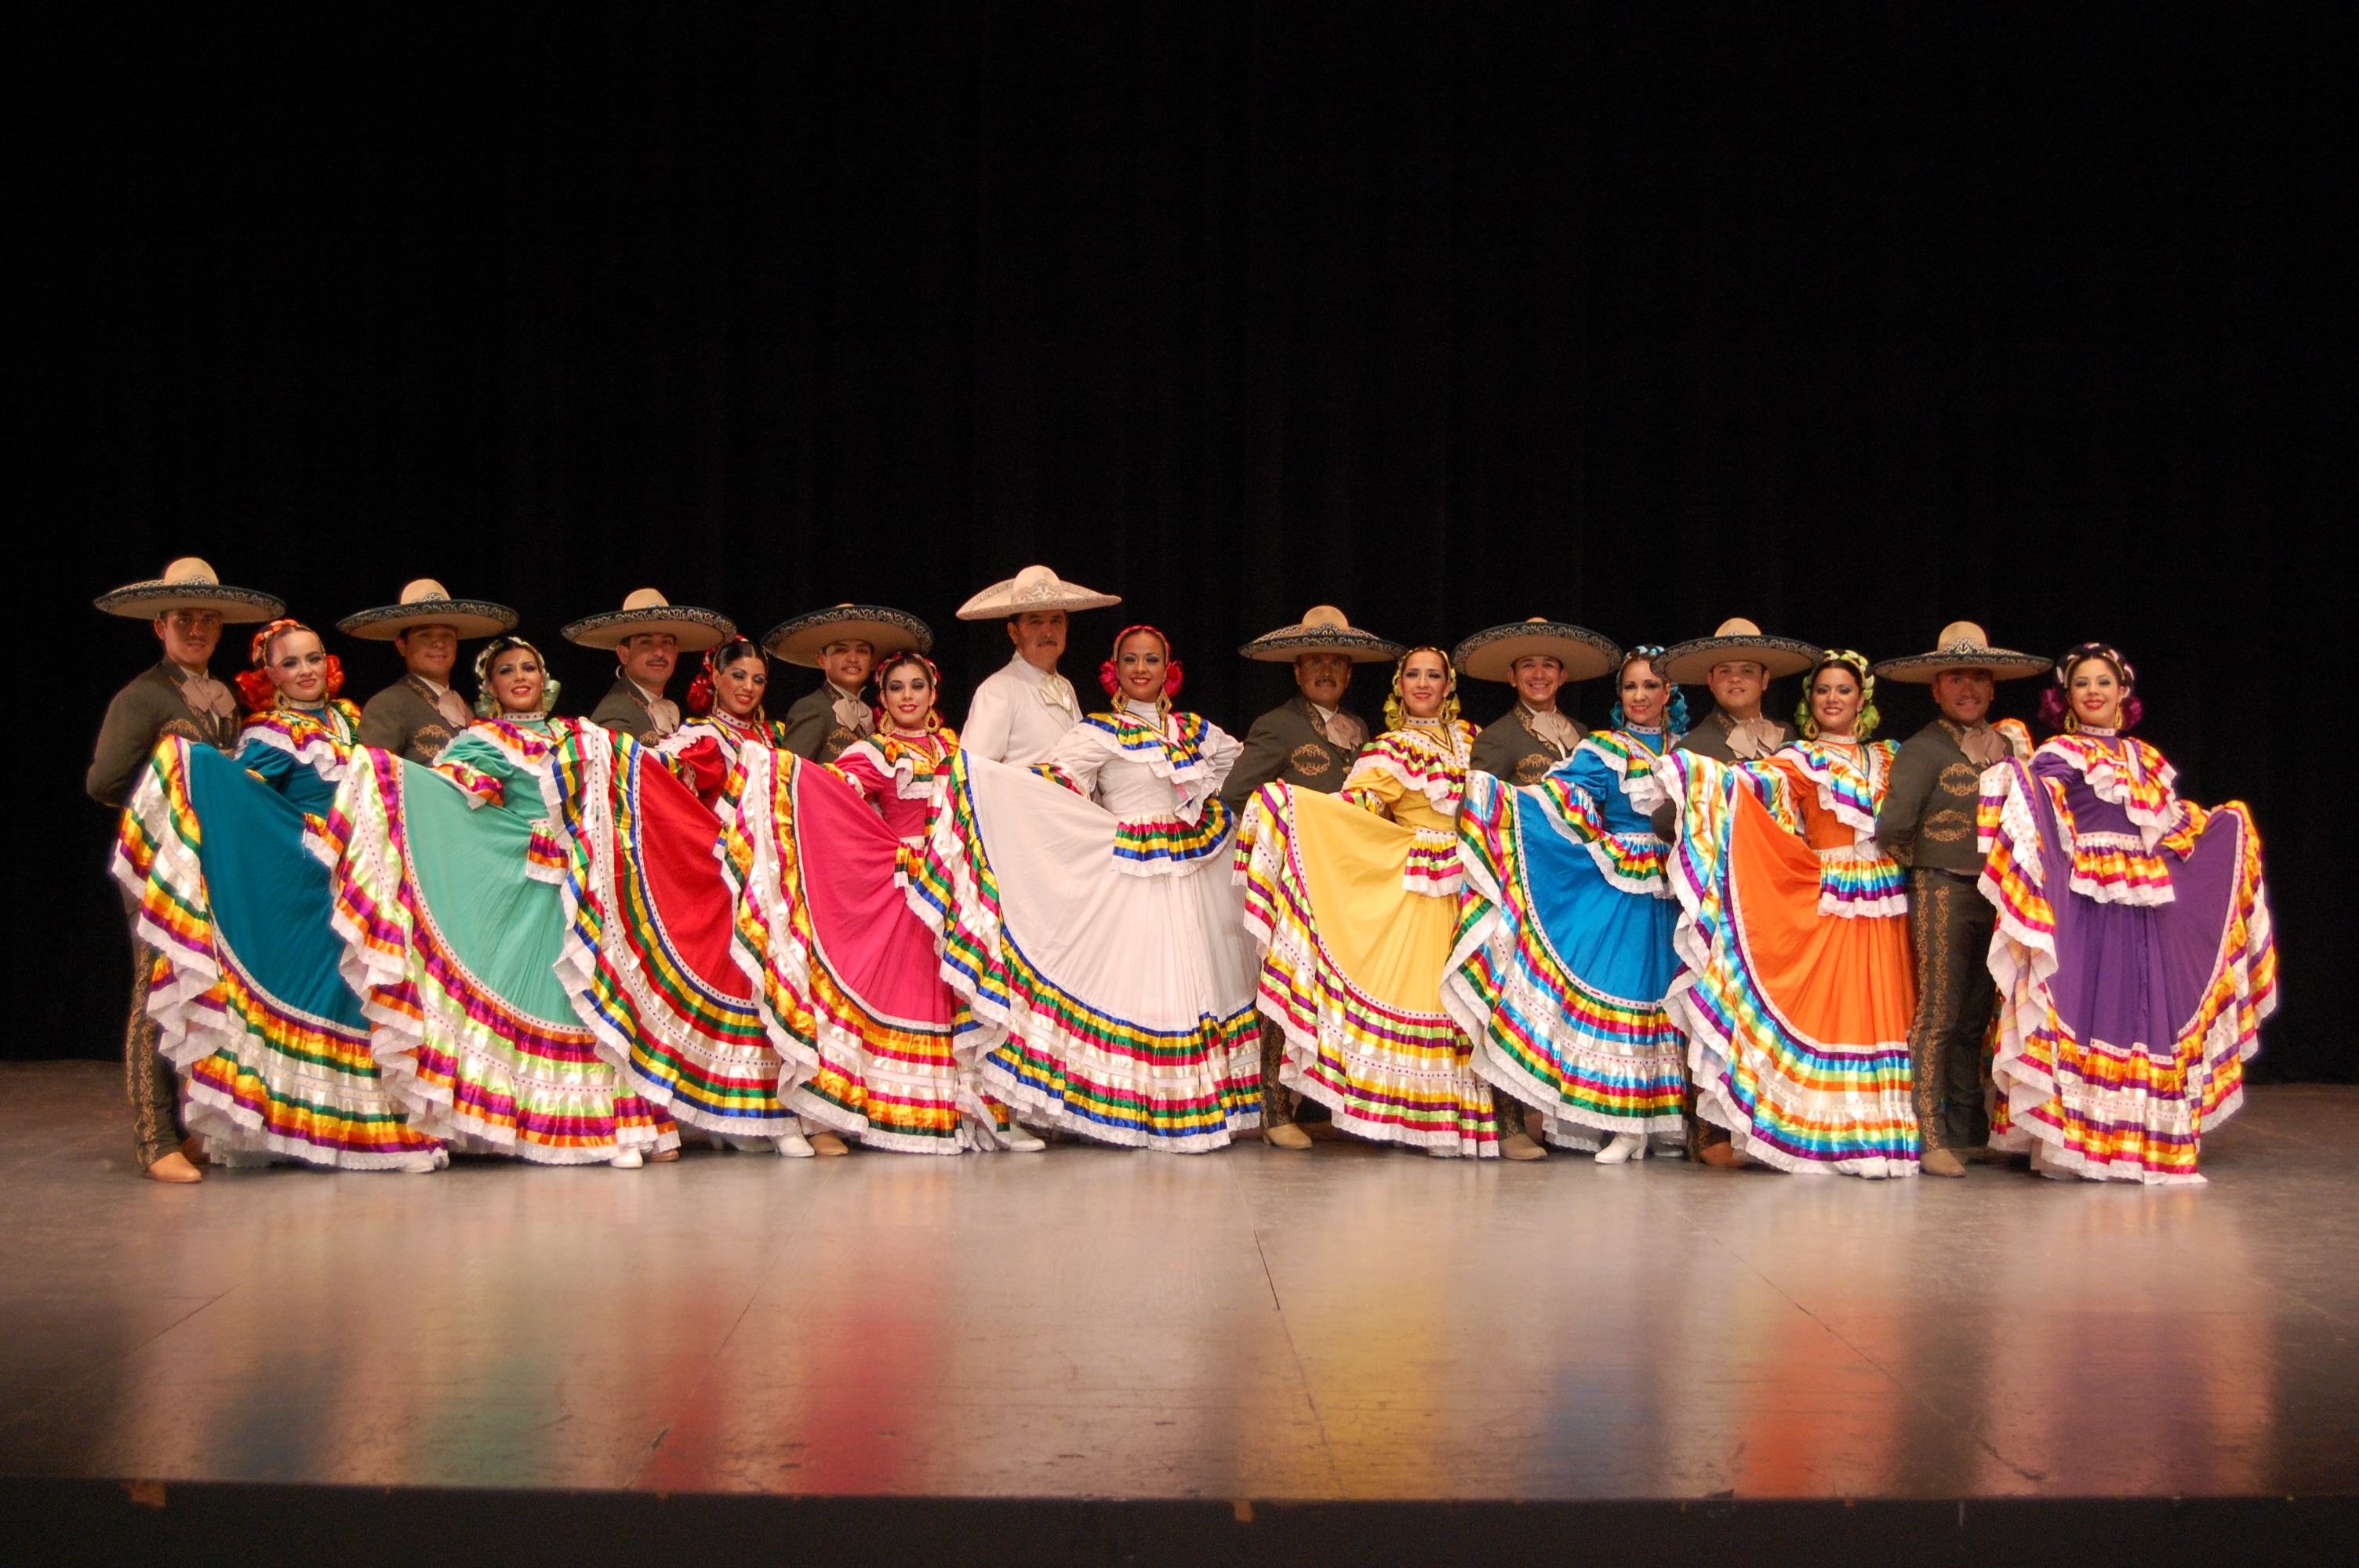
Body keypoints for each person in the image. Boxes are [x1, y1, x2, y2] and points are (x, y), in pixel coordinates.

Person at [322, 635, 681, 1167]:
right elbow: (450, 797)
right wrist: (385, 777)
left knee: (592, 999)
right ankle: (550, 1124)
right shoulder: (482, 738)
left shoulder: (575, 733)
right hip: (525, 885)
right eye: (507, 670)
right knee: (544, 995)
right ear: (490, 688)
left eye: (529, 667)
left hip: (584, 885)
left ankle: (618, 1124)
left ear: (545, 679)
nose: (520, 677)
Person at [912, 625, 1261, 1151]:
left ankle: (1201, 1100)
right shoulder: (1098, 730)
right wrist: (986, 788)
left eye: (1151, 660)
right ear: (1114, 670)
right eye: (1130, 661)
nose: (1141, 669)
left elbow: (1237, 770)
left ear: (1169, 669)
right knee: (1145, 987)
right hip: (1133, 870)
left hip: (1194, 872)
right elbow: (1055, 780)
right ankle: (1139, 1106)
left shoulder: (1197, 731)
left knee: (1198, 982)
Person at [111, 618, 442, 1172]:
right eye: (290, 663)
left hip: (360, 886)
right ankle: (190, 1136)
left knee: (363, 1004)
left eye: (313, 658)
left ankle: (374, 1131)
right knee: (316, 1000)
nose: (305, 671)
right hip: (305, 886)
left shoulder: (352, 720)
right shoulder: (268, 733)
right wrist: (196, 776)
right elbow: (247, 804)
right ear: (269, 674)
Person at [1976, 644, 2277, 1185]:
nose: (2094, 691)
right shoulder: (2060, 754)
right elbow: (2043, 814)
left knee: (2137, 1010)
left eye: (2104, 683)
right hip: (2086, 902)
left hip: (2143, 906)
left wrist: (2218, 826)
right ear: (2064, 696)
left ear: (2123, 694)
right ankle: (2071, 1142)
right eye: (2083, 683)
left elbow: (2167, 829)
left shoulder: (2146, 760)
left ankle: (2131, 1138)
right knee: (2085, 1006)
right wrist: (2016, 775)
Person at [729, 651, 1019, 1152]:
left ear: (933, 694)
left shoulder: (958, 749)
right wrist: (777, 770)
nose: (908, 696)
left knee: (959, 999)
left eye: (917, 686)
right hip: (905, 888)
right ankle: (836, 1114)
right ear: (883, 698)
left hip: (958, 890)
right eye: (896, 688)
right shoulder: (876, 750)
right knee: (890, 994)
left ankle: (967, 1112)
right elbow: (834, 790)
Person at [1657, 650, 1920, 1178]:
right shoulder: (1802, 757)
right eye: (1822, 690)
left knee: (1883, 1004)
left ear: (1861, 699)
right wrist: (1694, 772)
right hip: (1832, 893)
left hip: (1886, 896)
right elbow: (1750, 790)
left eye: (1843, 690)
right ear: (1809, 701)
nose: (1832, 699)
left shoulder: (1891, 757)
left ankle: (1876, 1130)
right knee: (1833, 1006)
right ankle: (1821, 1128)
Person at [1237, 647, 1503, 1157]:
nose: (1423, 684)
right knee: (1418, 994)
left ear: (1449, 685)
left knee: (1458, 1003)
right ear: (1398, 686)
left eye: (1434, 675)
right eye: (1413, 675)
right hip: (1416, 885)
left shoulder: (1475, 740)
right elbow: (1354, 808)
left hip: (1469, 885)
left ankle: (1445, 1122)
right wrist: (1294, 808)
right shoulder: (1389, 749)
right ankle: (1377, 1114)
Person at [1451, 645, 1692, 1163]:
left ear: (1668, 692)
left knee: (1666, 997)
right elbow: (1557, 797)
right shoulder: (1602, 747)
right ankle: (1622, 1124)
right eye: (1630, 687)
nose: (1640, 696)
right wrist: (1493, 798)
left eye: (1650, 686)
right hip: (1623, 884)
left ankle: (1663, 1122)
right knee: (1624, 990)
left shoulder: (1692, 751)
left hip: (1678, 886)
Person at [90, 557, 285, 1184]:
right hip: (158, 863)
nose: (196, 629)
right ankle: (154, 1139)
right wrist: (168, 803)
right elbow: (105, 780)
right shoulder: (143, 695)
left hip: (210, 863)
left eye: (206, 619)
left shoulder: (221, 695)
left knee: (201, 988)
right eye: (183, 619)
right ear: (160, 627)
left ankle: (194, 1127)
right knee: (155, 989)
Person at [1871, 623, 2049, 1177]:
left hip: (2001, 895)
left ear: (1993, 688)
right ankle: (1929, 1133)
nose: (1967, 688)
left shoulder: (2012, 750)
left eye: (1978, 677)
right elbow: (1892, 828)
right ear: (1936, 688)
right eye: (1955, 678)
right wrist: (1928, 865)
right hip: (1942, 888)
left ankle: (1970, 1128)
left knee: (1978, 1014)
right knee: (1939, 1014)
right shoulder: (1923, 749)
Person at [1220, 607, 1401, 1148]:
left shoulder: (1360, 729)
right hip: (1296, 880)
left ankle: (1322, 1104)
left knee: (1333, 991)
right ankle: (1275, 1110)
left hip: (1347, 880)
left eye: (1336, 662)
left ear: (1348, 674)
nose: (1325, 670)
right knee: (1287, 985)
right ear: (1297, 672)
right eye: (1314, 661)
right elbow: (1235, 795)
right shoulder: (1277, 725)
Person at [1651, 616, 1822, 1161]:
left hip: (1789, 899)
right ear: (1711, 680)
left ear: (1767, 679)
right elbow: (1662, 817)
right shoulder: (1695, 745)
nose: (1736, 680)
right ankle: (1712, 1132)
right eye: (1725, 672)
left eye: (1747, 671)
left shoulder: (1795, 742)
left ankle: (1771, 1124)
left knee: (1778, 1012)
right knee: (1715, 1007)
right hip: (1723, 898)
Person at [956, 565, 1122, 767]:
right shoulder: (999, 689)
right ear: (1014, 632)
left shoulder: (1066, 687)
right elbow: (973, 771)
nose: (1048, 632)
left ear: (1066, 627)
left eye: (1056, 621)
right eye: (1036, 622)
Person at [343, 579, 518, 763]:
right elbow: (375, 780)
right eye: (425, 635)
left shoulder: (465, 708)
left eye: (447, 635)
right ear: (402, 646)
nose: (439, 643)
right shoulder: (387, 705)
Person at [1456, 618, 1619, 785]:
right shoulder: (1495, 738)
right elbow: (1477, 803)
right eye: (1528, 665)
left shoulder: (1580, 731)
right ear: (1512, 677)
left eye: (1548, 665)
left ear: (1562, 676)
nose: (1539, 674)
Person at [564, 588, 737, 742]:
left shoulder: (649, 703)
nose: (659, 653)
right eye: (646, 642)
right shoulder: (615, 716)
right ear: (624, 654)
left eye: (667, 643)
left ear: (676, 651)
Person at [765, 604, 930, 762]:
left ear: (871, 661)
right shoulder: (812, 708)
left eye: (862, 651)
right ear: (822, 660)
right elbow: (791, 776)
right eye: (841, 650)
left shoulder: (874, 716)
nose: (852, 659)